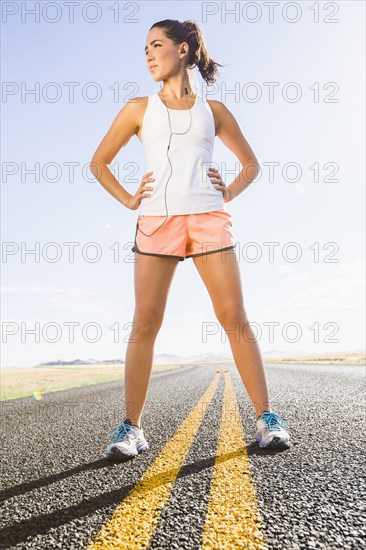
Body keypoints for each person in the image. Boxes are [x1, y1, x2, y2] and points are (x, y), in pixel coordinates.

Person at [90, 19, 291, 461]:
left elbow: (251, 164)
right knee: (145, 322)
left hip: (207, 220)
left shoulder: (213, 111)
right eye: (145, 47)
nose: (147, 53)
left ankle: (266, 419)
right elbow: (98, 163)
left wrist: (230, 190)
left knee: (234, 316)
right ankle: (132, 428)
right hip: (157, 223)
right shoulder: (137, 109)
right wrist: (128, 199)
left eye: (156, 45)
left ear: (183, 50)